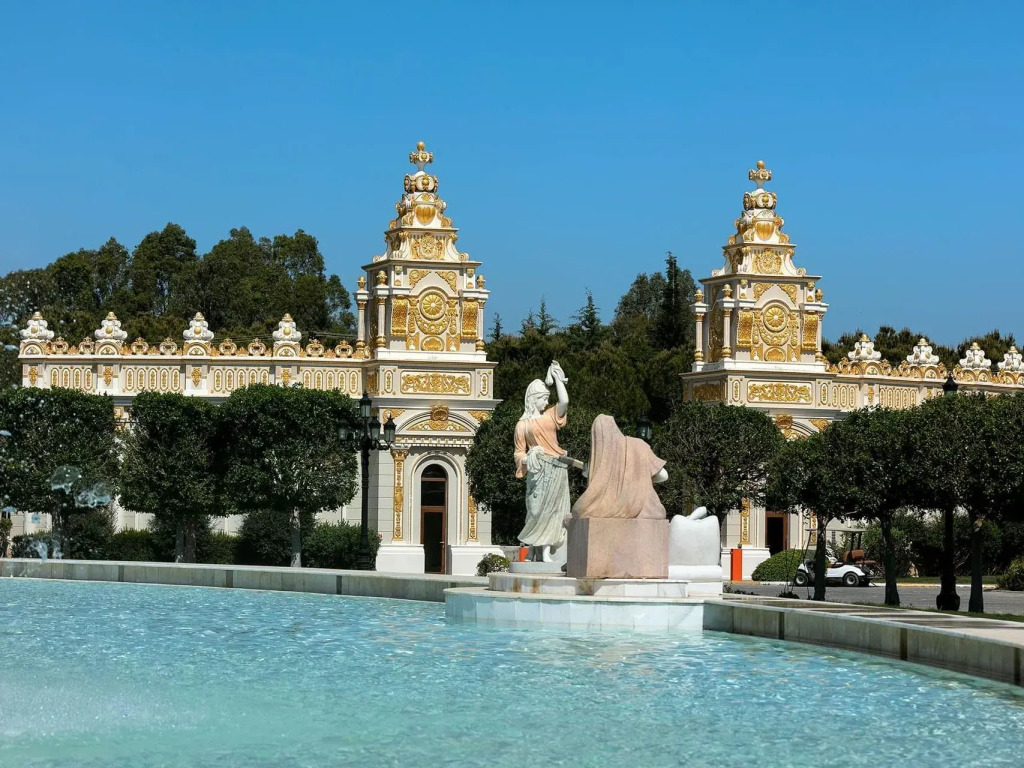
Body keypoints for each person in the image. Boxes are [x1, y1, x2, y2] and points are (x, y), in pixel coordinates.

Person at [514, 362, 569, 562]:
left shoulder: (549, 417)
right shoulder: (522, 425)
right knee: (535, 509)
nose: (546, 403)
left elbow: (564, 400)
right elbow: (518, 453)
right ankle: (532, 548)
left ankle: (544, 551)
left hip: (555, 467)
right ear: (534, 399)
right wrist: (530, 457)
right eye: (543, 399)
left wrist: (557, 379)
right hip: (537, 470)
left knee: (552, 510)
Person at [571, 414, 668, 519]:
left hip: (598, 510)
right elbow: (664, 475)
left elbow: (588, 476)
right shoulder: (639, 446)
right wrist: (642, 480)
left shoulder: (601, 460)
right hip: (645, 511)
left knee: (578, 510)